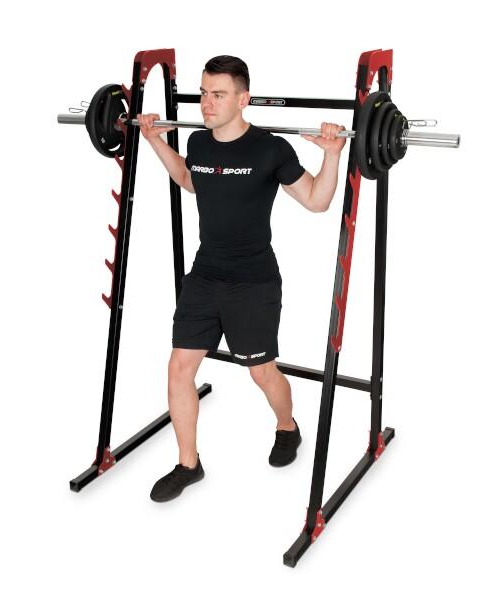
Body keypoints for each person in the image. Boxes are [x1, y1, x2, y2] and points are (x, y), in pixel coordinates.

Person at [137, 55, 346, 502]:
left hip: (253, 281)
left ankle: (287, 427)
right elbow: (190, 179)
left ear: (243, 99)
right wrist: (155, 141)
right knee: (179, 368)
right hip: (204, 275)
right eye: (203, 93)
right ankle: (188, 464)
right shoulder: (198, 142)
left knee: (261, 371)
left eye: (219, 94)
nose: (206, 103)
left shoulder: (270, 149)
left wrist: (332, 155)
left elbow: (316, 200)